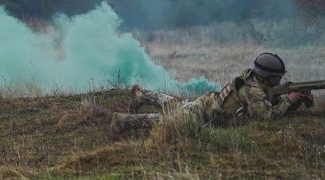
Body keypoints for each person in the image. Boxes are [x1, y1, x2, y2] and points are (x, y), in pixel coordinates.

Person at [109, 52, 314, 135]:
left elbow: (266, 100)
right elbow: (267, 116)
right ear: (268, 77)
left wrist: (289, 98)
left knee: (178, 106)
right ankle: (122, 120)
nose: (280, 80)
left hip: (207, 104)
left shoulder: (254, 80)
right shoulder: (253, 90)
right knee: (163, 121)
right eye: (277, 77)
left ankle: (143, 94)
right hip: (202, 116)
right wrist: (290, 101)